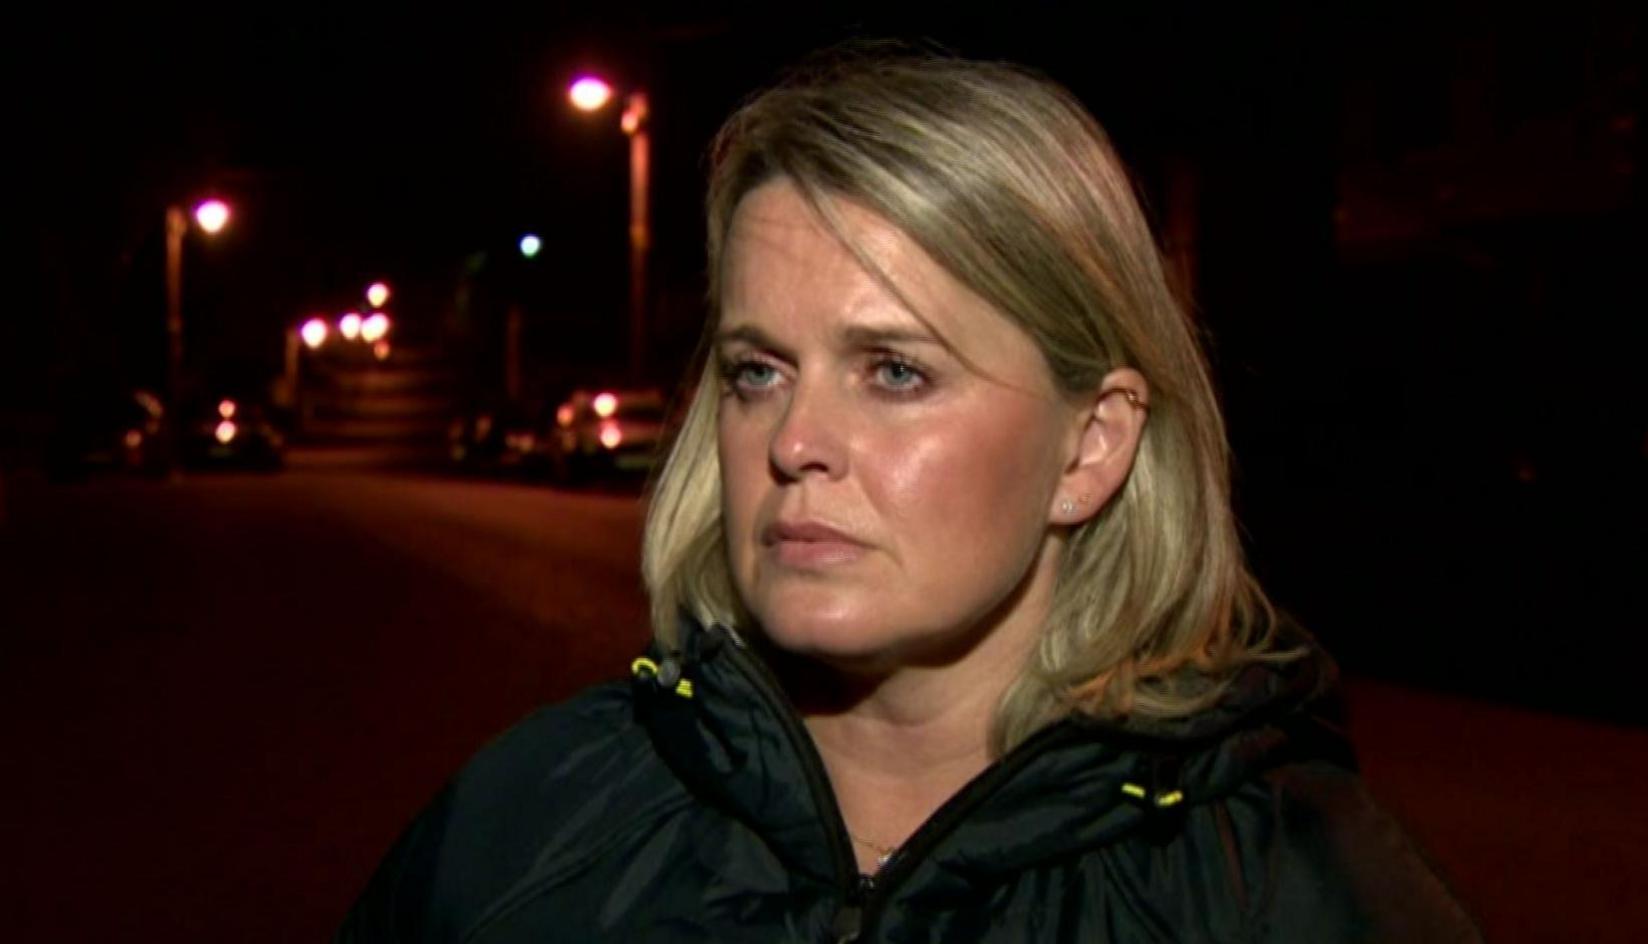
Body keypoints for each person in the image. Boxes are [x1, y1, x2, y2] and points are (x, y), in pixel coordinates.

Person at [338, 49, 1480, 942]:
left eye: (895, 370)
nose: (793, 441)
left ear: (1091, 445)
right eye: (757, 370)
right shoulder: (524, 830)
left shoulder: (1294, 896)